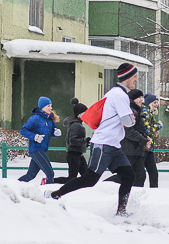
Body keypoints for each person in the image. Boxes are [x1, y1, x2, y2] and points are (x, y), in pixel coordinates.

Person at [50, 63, 141, 216]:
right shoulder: (119, 95)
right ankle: (55, 195)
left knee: (129, 176)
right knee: (89, 179)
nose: (136, 80)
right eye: (135, 76)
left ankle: (121, 212)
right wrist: (135, 117)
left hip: (113, 145)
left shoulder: (114, 93)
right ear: (126, 77)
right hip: (104, 144)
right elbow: (127, 121)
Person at [105, 89, 150, 186]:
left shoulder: (136, 111)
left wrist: (145, 137)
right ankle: (104, 185)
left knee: (139, 176)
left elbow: (138, 129)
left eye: (142, 97)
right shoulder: (131, 111)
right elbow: (128, 131)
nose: (142, 100)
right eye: (139, 98)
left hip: (135, 150)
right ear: (133, 99)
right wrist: (143, 139)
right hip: (129, 150)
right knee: (129, 176)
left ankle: (132, 197)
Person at [18, 96, 62, 184]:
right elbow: (23, 130)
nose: (51, 108)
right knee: (50, 174)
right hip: (35, 149)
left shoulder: (49, 120)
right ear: (42, 107)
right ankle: (49, 193)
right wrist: (35, 137)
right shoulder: (35, 118)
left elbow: (49, 133)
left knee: (30, 175)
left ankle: (14, 186)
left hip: (42, 149)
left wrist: (56, 133)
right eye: (48, 106)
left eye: (51, 106)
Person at [54, 98, 89, 184]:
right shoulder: (76, 125)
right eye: (85, 113)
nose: (87, 115)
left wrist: (87, 142)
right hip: (73, 155)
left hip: (78, 154)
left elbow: (77, 141)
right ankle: (50, 181)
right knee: (71, 179)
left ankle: (86, 192)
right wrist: (85, 141)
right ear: (78, 115)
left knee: (86, 177)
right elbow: (72, 140)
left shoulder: (78, 124)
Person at [141, 94, 163, 188]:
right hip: (143, 148)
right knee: (140, 174)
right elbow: (146, 130)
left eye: (157, 102)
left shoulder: (149, 113)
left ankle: (154, 193)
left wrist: (154, 132)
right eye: (154, 102)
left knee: (153, 173)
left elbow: (149, 130)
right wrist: (158, 126)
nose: (156, 104)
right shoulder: (145, 113)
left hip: (148, 148)